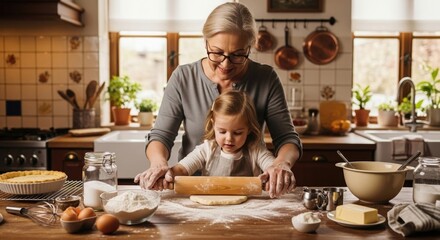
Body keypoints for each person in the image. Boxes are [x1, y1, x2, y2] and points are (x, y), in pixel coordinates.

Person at [134, 2, 302, 198]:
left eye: (238, 55)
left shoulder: (265, 78)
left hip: (249, 196)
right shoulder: (183, 77)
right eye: (217, 52)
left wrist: (281, 163)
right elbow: (161, 136)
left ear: (250, 47)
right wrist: (159, 164)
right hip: (190, 193)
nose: (225, 64)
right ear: (205, 42)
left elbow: (287, 138)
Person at [163, 91, 277, 184]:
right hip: (211, 209)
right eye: (222, 131)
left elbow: (272, 166)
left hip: (247, 207)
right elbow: (182, 169)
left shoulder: (256, 151)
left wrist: (272, 172)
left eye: (237, 133)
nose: (229, 139)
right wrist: (170, 174)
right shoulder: (207, 149)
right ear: (213, 125)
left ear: (249, 129)